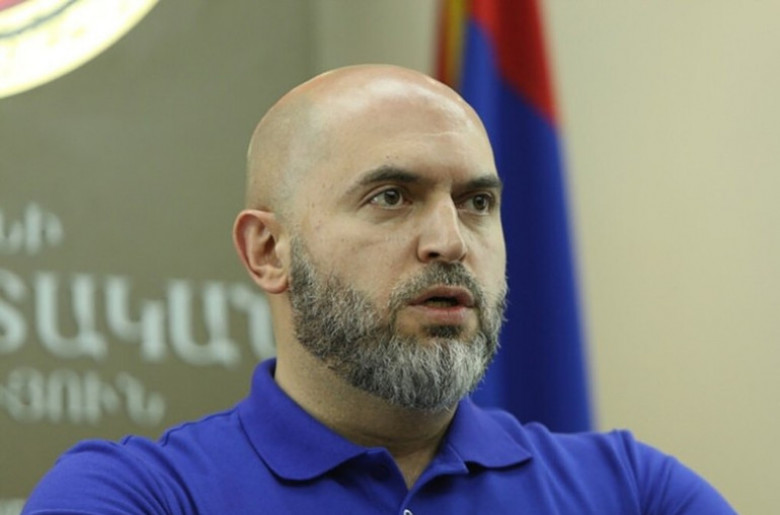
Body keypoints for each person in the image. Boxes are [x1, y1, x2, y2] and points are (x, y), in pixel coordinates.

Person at [23, 64, 734, 514]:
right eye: (391, 196)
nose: (451, 240)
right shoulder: (137, 496)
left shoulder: (632, 490)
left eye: (477, 202)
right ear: (268, 250)